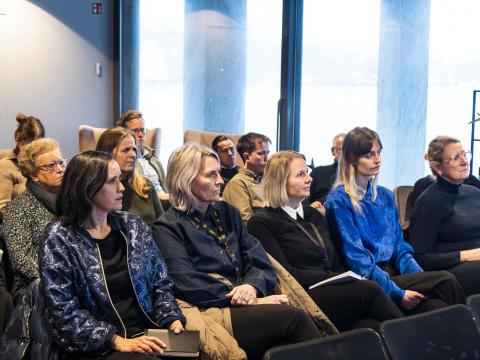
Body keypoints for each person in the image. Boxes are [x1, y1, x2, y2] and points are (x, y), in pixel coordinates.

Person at [151, 143, 322, 360]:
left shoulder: (227, 212)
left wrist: (252, 286)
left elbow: (258, 258)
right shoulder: (167, 227)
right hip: (209, 308)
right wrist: (248, 300)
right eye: (211, 175)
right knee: (296, 319)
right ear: (187, 180)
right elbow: (186, 282)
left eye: (219, 174)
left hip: (242, 301)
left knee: (284, 343)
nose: (220, 181)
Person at [40, 151, 186, 359]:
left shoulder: (132, 225)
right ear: (87, 188)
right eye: (112, 181)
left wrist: (171, 318)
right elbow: (64, 313)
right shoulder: (59, 237)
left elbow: (160, 281)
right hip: (98, 346)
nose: (122, 187)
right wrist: (116, 341)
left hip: (148, 331)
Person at [248, 151, 403, 331]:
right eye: (301, 174)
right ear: (280, 181)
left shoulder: (313, 214)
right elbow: (287, 275)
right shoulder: (261, 222)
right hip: (303, 294)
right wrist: (339, 278)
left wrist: (343, 278)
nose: (310, 179)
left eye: (307, 172)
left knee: (370, 326)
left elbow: (335, 261)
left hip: (334, 289)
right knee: (370, 289)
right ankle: (411, 340)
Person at [325, 127, 465, 314]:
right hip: (370, 281)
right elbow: (358, 261)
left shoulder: (384, 195)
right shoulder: (339, 200)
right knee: (445, 280)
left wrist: (423, 280)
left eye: (379, 153)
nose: (378, 159)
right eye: (369, 155)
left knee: (437, 306)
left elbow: (400, 248)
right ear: (352, 158)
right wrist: (398, 293)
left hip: (396, 272)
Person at [410, 136, 480, 296]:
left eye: (464, 154)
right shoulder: (429, 202)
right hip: (451, 270)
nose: (464, 161)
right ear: (438, 168)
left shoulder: (475, 193)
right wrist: (466, 255)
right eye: (456, 158)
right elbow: (420, 258)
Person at [3, 138, 64, 302]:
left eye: (61, 163)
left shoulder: (70, 200)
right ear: (33, 174)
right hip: (34, 285)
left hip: (69, 276)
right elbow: (21, 260)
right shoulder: (18, 209)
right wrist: (59, 278)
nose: (60, 170)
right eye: (50, 166)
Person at [96, 127, 163, 225]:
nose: (133, 155)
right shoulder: (99, 190)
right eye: (126, 150)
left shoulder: (145, 185)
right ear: (108, 153)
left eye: (134, 150)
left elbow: (162, 224)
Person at [116, 110, 169, 203]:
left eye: (142, 130)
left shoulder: (154, 160)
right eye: (135, 131)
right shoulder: (125, 162)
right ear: (124, 134)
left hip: (166, 202)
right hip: (147, 204)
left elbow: (166, 188)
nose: (141, 135)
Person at [0, 114, 45, 212]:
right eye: (30, 145)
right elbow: (2, 209)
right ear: (18, 139)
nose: (34, 150)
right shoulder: (5, 166)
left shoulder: (44, 164)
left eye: (38, 145)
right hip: (20, 223)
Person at [223, 132, 270, 222]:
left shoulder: (268, 179)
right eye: (261, 153)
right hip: (260, 233)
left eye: (268, 153)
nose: (267, 158)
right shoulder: (237, 184)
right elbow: (246, 223)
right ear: (247, 157)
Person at [309, 133, 345, 205]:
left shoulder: (359, 176)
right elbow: (306, 201)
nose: (346, 153)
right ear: (333, 151)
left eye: (350, 150)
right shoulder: (318, 173)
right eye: (342, 149)